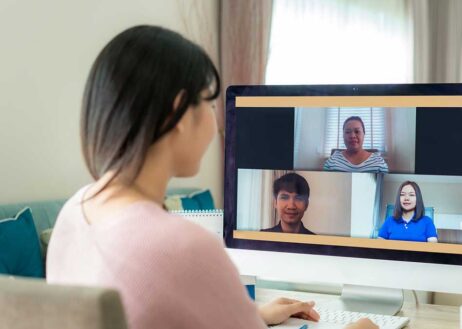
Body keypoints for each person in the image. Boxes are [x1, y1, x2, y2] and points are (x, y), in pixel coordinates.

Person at [44, 25, 377, 329]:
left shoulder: (74, 211)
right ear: (178, 113)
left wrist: (251, 316)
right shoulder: (183, 246)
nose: (216, 121)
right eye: (210, 103)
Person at [323, 116, 389, 173]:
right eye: (347, 132)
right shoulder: (332, 161)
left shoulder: (379, 162)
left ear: (364, 134)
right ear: (343, 135)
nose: (352, 136)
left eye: (357, 131)